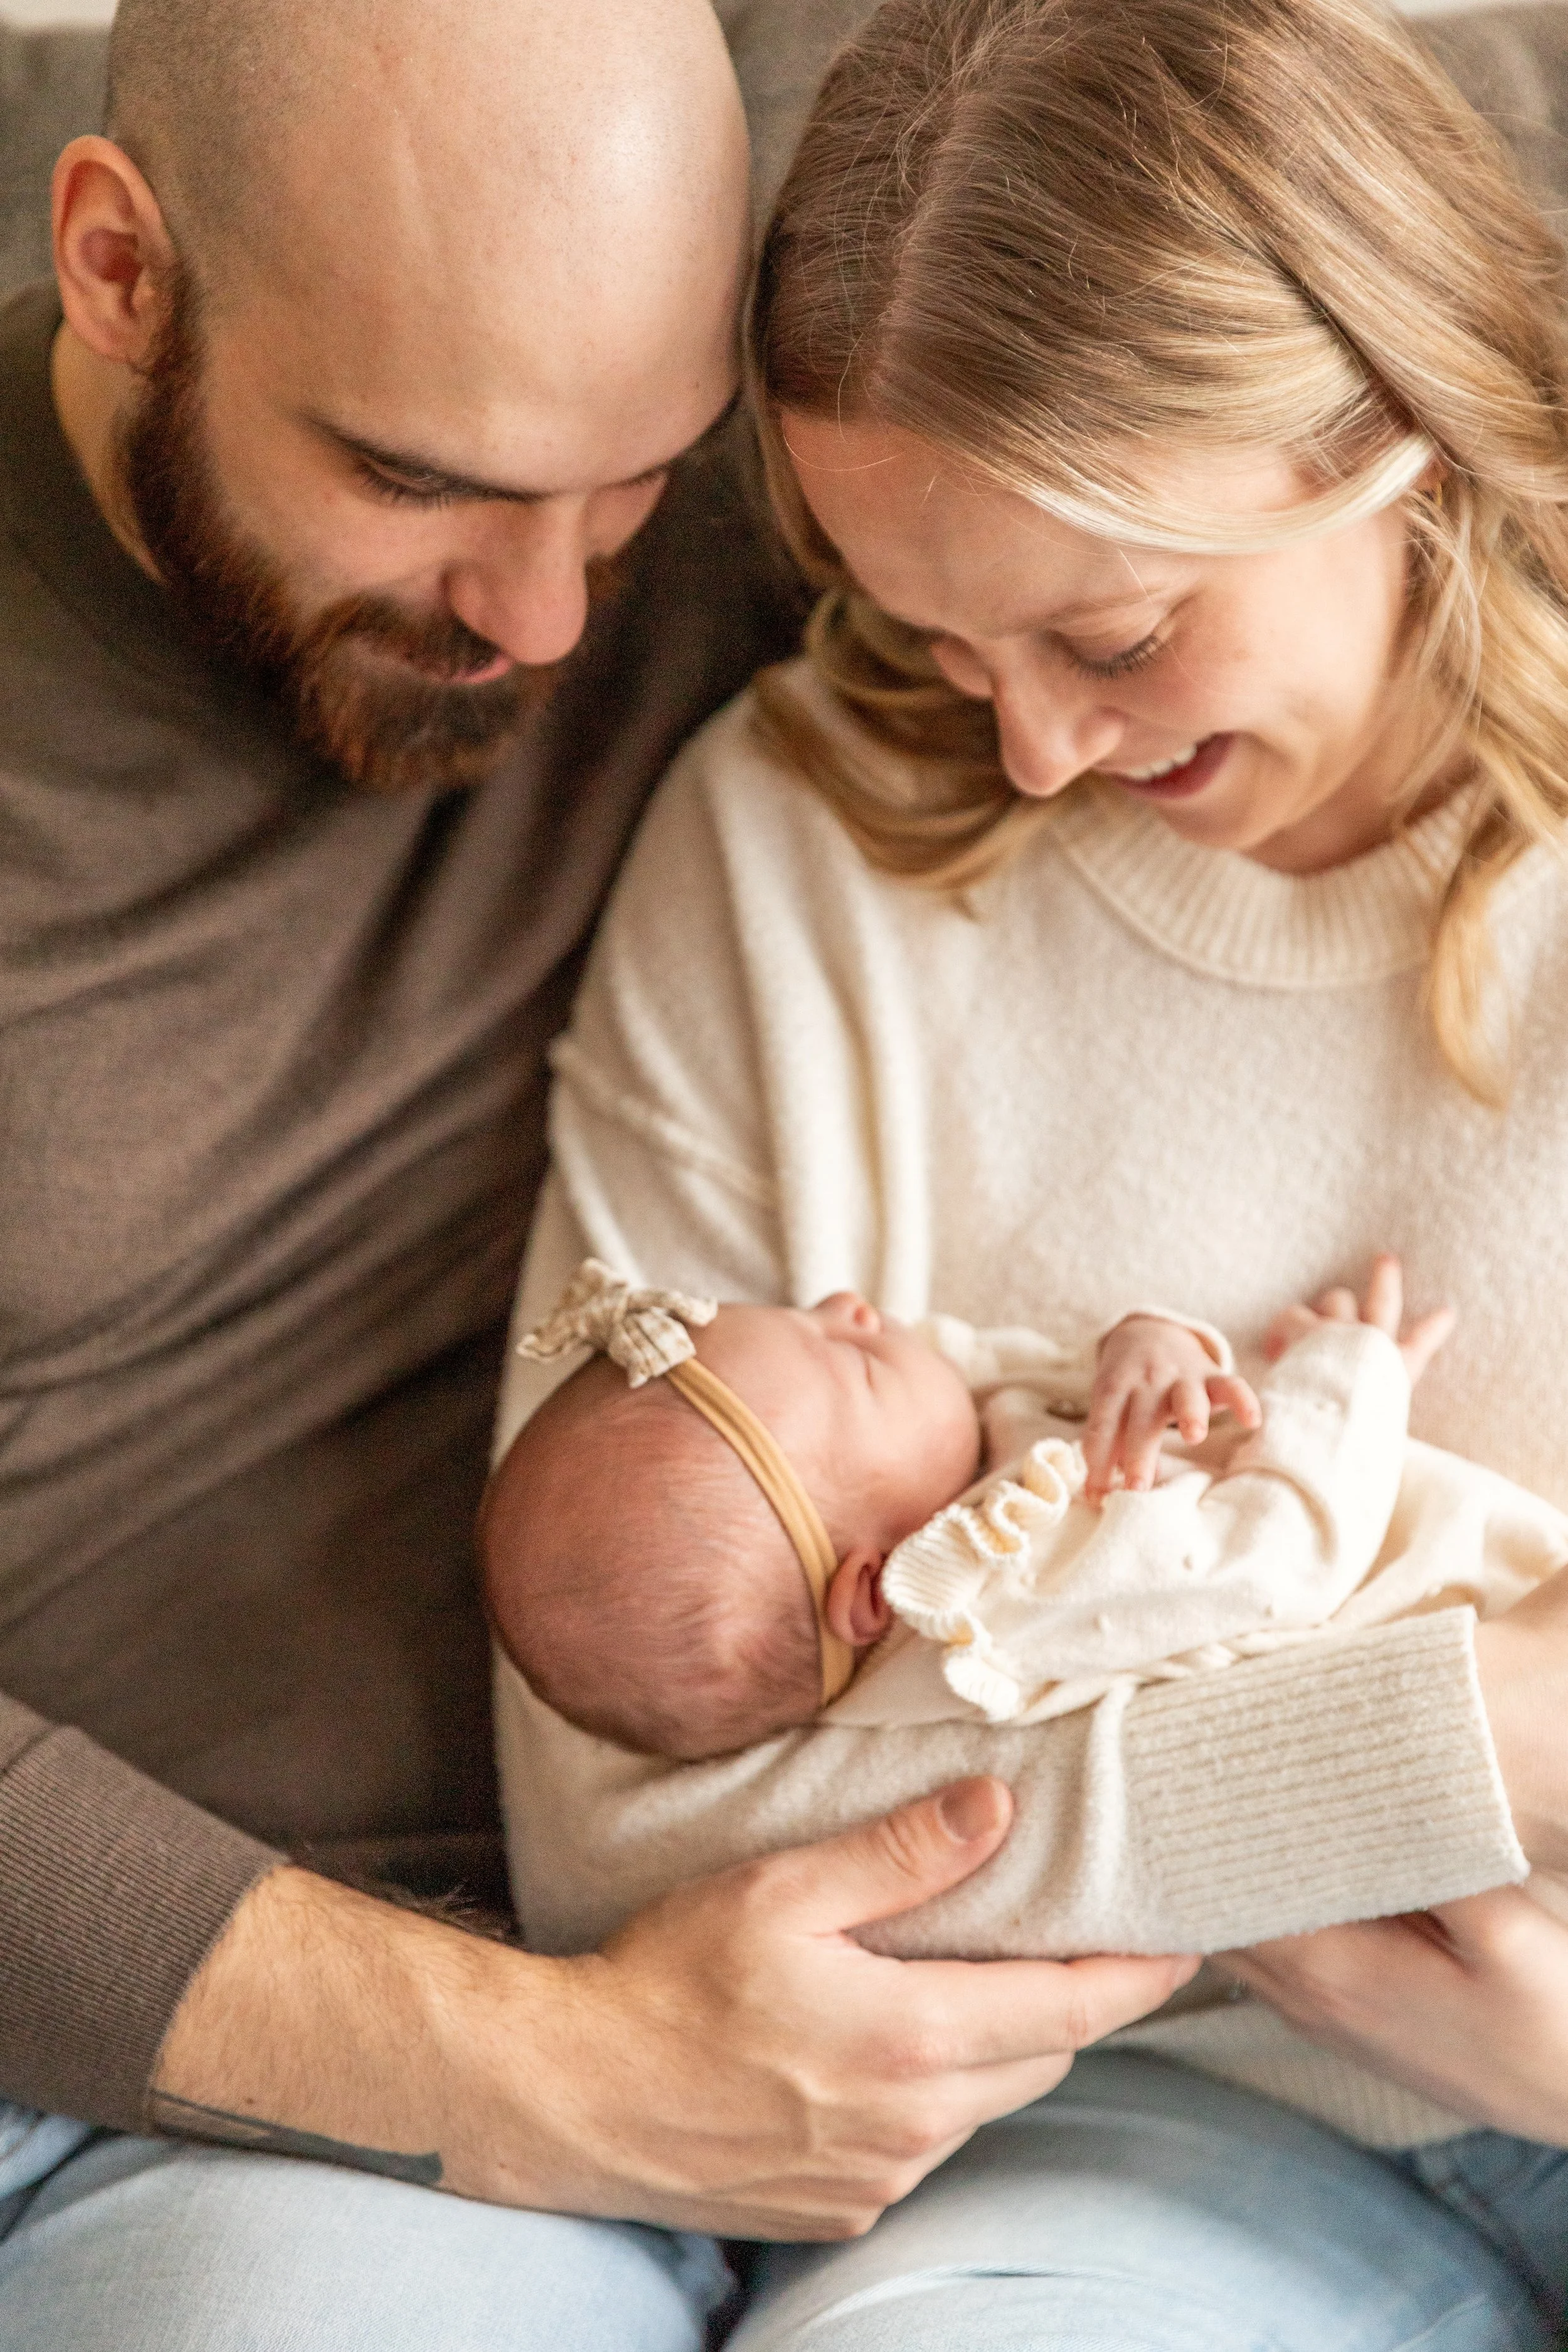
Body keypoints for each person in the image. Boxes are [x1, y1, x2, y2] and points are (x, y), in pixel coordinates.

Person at [0, 0, 1206, 2344]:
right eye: (420, 480)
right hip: (223, 2035)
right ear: (123, 266)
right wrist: (559, 2073)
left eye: (637, 483)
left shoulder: (798, 508)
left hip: (643, 2020)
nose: (547, 619)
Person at [490, 0, 1568, 2340]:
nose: (1042, 747)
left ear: (1389, 429)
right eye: (931, 631)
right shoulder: (795, 872)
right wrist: (1464, 1743)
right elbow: (624, 1826)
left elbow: (845, 1795)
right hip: (1170, 2134)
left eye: (1114, 631)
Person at [488, 1257, 1557, 1764]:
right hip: (1507, 1649)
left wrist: (1142, 1345)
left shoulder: (953, 1497)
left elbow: (1027, 1389)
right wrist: (1348, 1379)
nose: (852, 1304)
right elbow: (1279, 1557)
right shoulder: (1017, 1600)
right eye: (854, 1358)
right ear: (875, 1583)